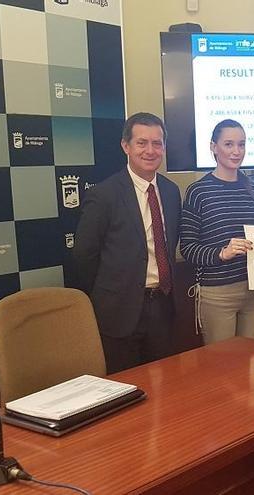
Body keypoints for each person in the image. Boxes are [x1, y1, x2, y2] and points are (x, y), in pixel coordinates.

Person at [73, 112, 181, 373]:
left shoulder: (170, 191)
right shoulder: (103, 195)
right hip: (118, 313)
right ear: (126, 146)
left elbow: (170, 242)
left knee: (165, 384)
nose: (150, 150)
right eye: (142, 143)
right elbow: (84, 257)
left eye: (157, 143)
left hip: (162, 306)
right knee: (123, 390)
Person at [179, 119, 254, 345]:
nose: (236, 151)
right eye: (229, 144)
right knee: (221, 368)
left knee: (249, 363)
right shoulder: (198, 191)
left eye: (241, 144)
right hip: (217, 293)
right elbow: (187, 249)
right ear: (213, 147)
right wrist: (222, 253)